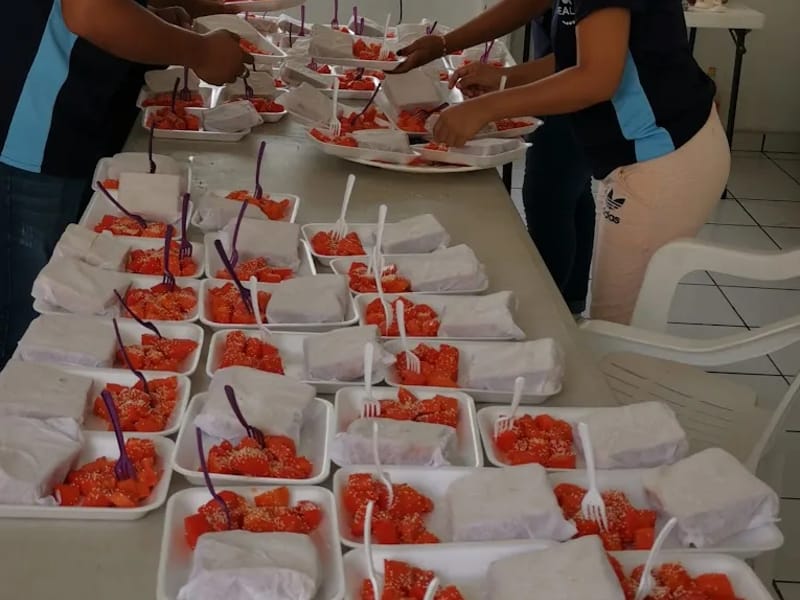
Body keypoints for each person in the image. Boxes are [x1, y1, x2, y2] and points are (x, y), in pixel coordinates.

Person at [395, 0, 730, 324]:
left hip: (664, 156)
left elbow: (596, 77)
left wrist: (486, 107)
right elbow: (572, 48)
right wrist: (453, 49)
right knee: (612, 326)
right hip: (649, 152)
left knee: (618, 333)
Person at [0, 0, 252, 368]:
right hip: (34, 132)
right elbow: (89, 11)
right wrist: (200, 51)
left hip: (69, 128)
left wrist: (149, 23)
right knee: (32, 326)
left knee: (70, 303)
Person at [523, 10, 595, 317]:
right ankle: (570, 301)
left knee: (548, 196)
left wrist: (497, 96)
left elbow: (579, 59)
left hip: (574, 92)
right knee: (574, 192)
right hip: (569, 89)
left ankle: (546, 312)